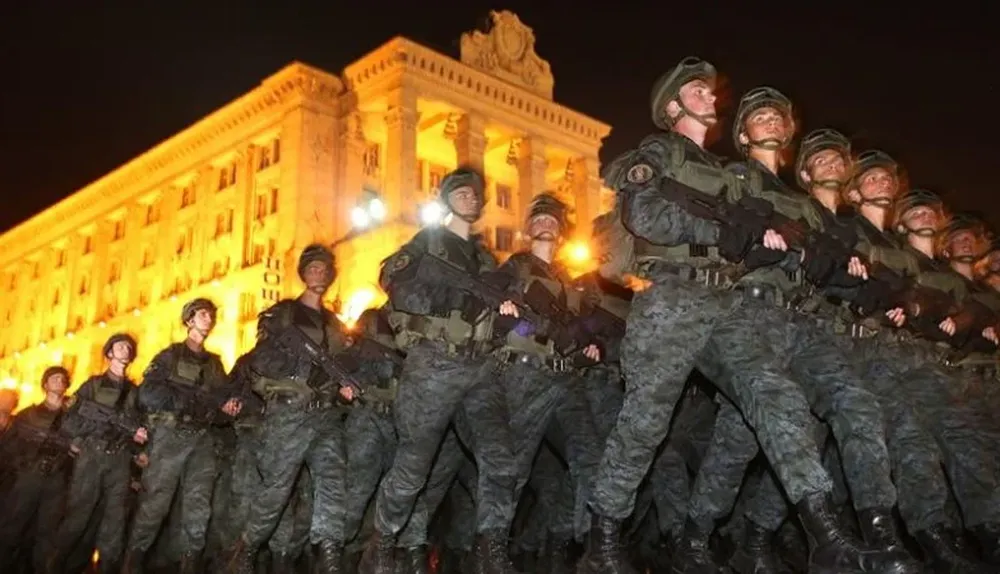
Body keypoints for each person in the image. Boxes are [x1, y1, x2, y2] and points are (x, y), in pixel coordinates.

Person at [223, 244, 353, 574]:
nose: (319, 274)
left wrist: (344, 385)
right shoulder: (282, 314)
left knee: (332, 484)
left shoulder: (334, 324)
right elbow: (262, 359)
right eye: (313, 268)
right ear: (303, 273)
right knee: (276, 489)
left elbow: (343, 363)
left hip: (326, 415)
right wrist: (302, 366)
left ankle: (330, 557)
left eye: (324, 270)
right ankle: (248, 549)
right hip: (290, 413)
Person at [124, 299, 239, 573]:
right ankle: (131, 564)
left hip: (202, 440)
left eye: (211, 315)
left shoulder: (214, 364)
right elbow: (148, 392)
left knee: (199, 506)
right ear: (189, 321)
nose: (208, 319)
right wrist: (188, 402)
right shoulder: (170, 356)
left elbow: (222, 406)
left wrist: (228, 408)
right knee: (155, 504)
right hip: (170, 436)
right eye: (202, 314)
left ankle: (190, 565)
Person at [0, 366, 73, 572]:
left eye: (62, 378)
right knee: (12, 530)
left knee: (46, 536)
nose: (59, 381)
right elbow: (8, 447)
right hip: (27, 478)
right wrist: (23, 464)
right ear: (45, 384)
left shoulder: (73, 419)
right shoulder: (28, 415)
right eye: (54, 378)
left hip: (56, 482)